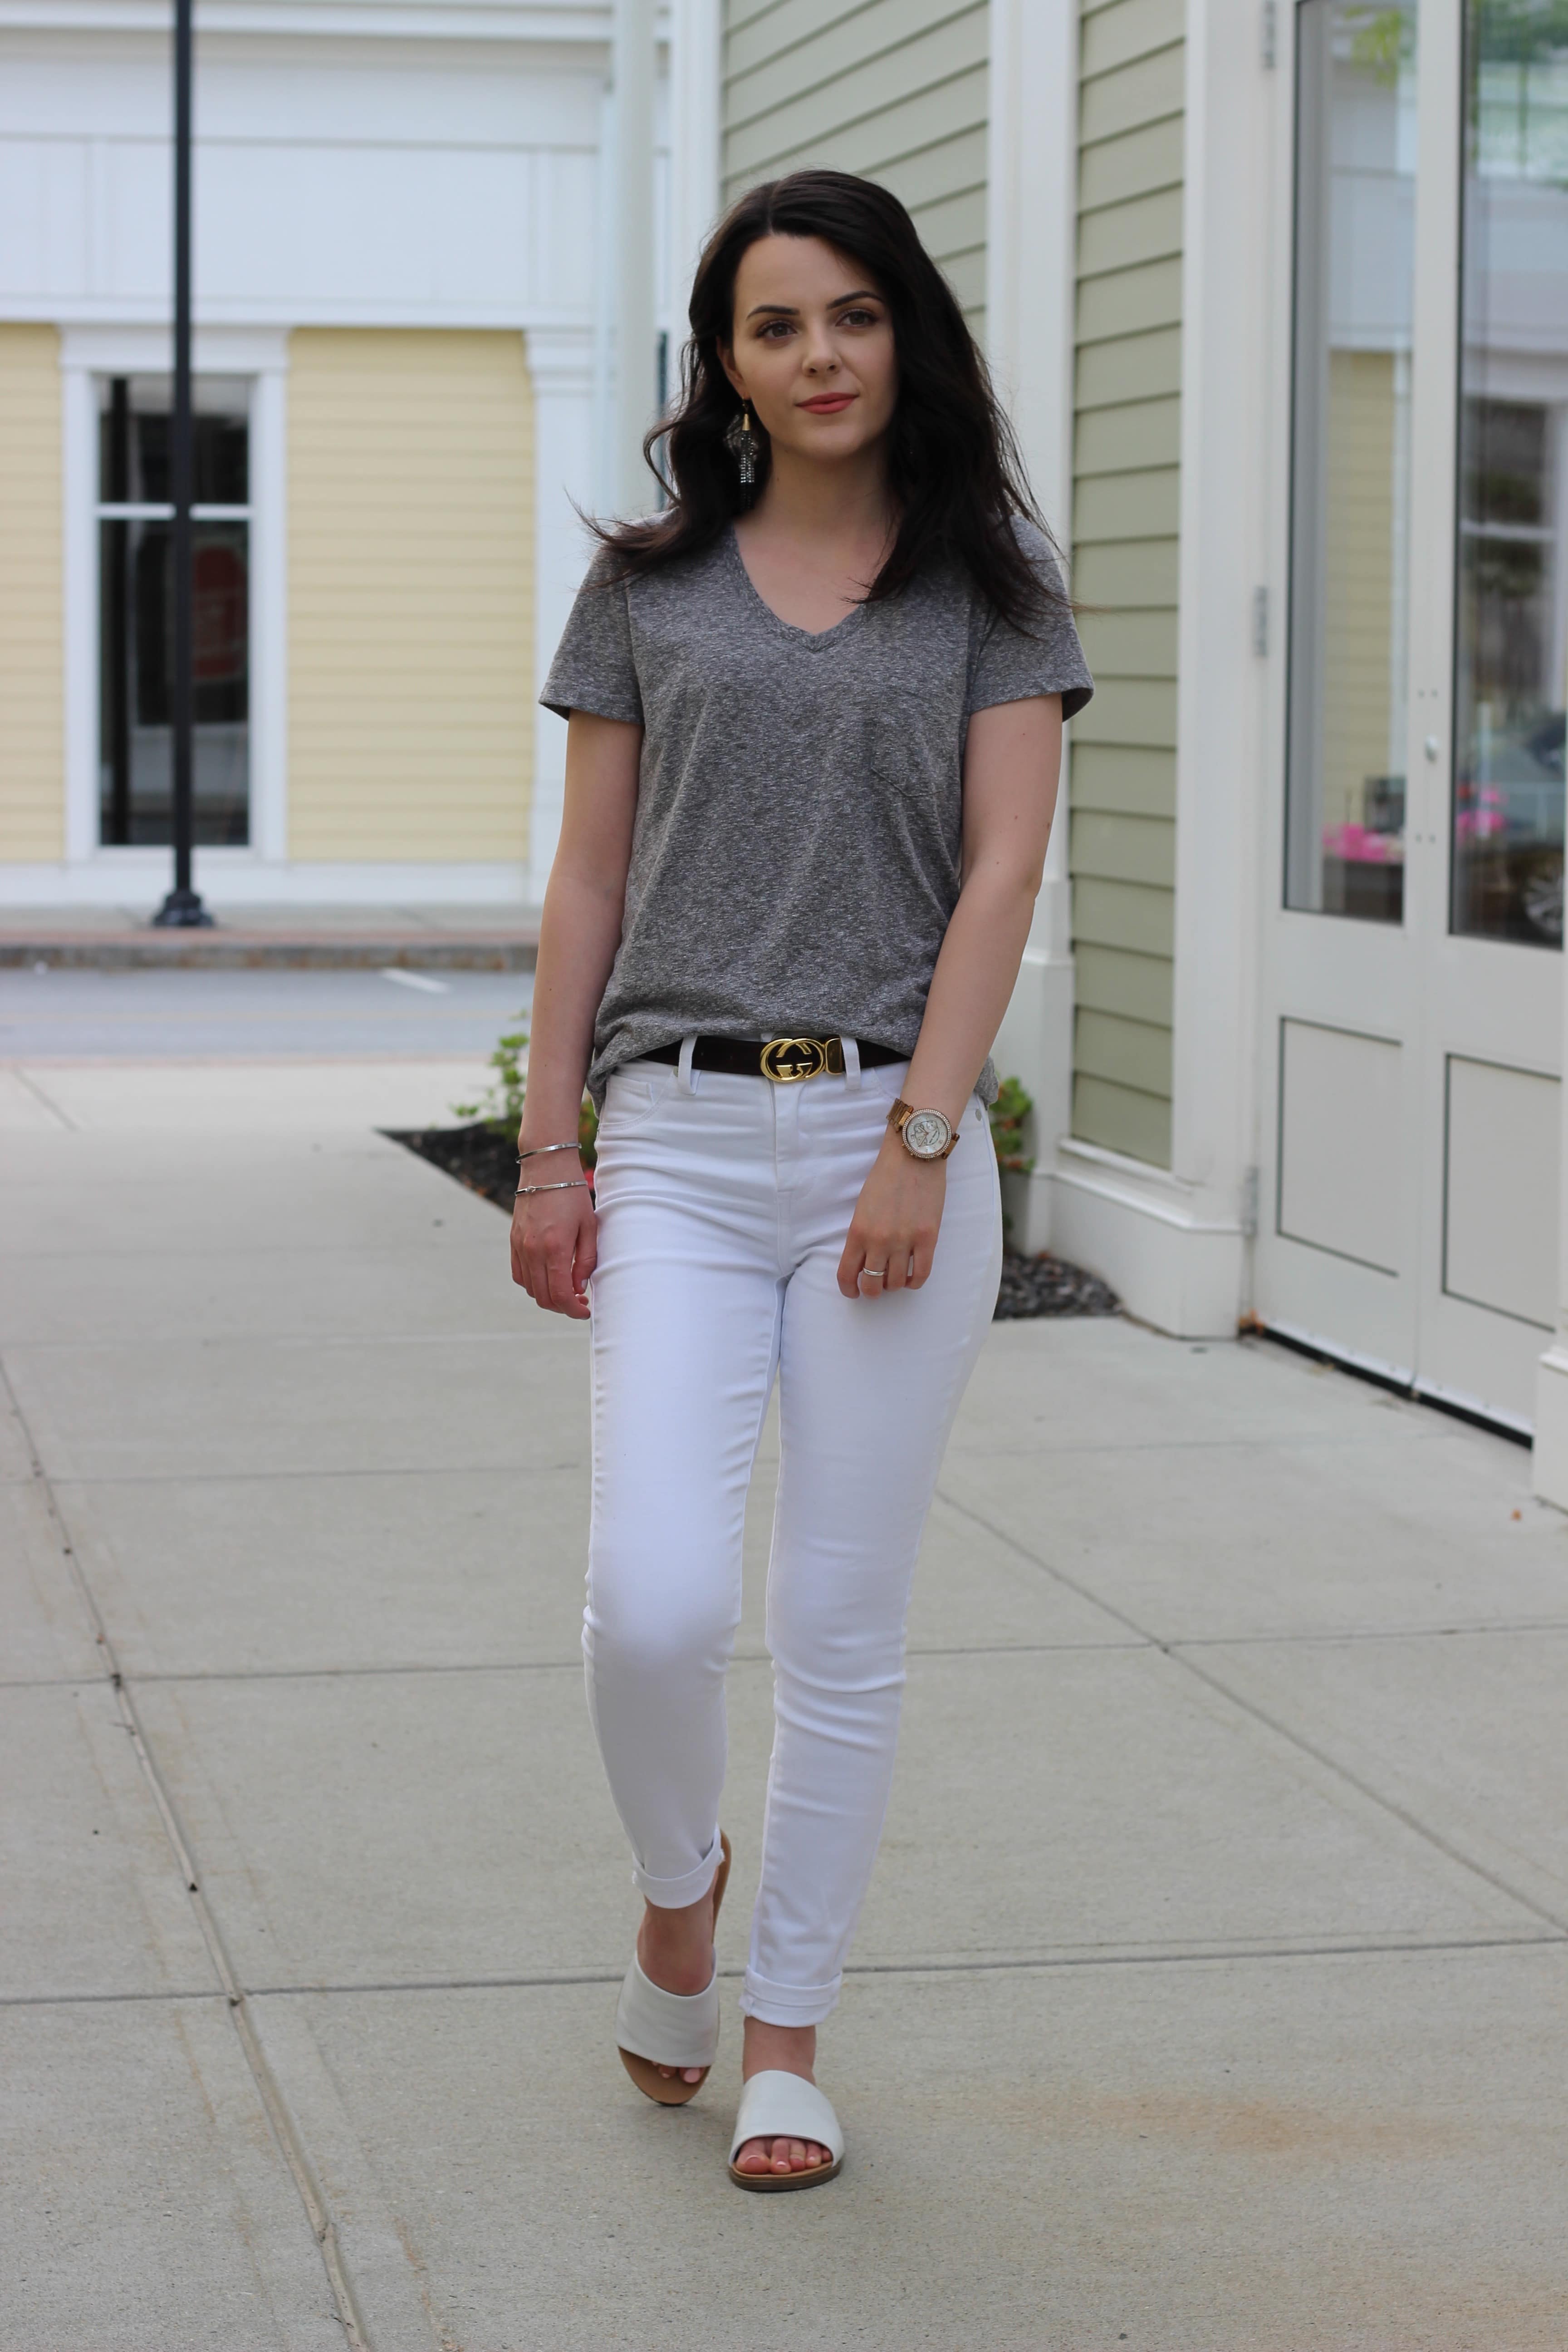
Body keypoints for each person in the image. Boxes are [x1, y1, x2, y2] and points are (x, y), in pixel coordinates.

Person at [512, 168, 1092, 2191]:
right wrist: (550, 1151)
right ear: (727, 362)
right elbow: (590, 878)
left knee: (841, 1620)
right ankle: (684, 1891)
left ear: (903, 330)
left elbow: (1003, 872)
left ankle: (783, 2035)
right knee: (654, 1605)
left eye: (852, 314)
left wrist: (926, 1140)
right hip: (672, 1132)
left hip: (887, 1136)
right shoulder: (648, 592)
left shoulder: (991, 587)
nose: (821, 354)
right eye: (777, 325)